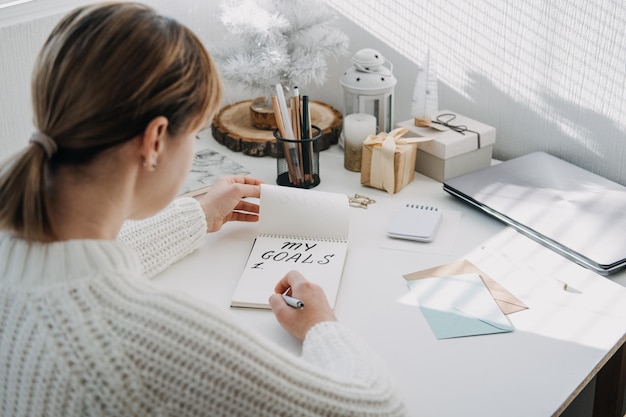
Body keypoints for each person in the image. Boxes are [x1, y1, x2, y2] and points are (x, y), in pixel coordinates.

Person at [0, 2, 405, 416]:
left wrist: (197, 215)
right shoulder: (140, 346)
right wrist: (321, 324)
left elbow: (74, 265)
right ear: (155, 140)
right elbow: (376, 407)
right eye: (195, 132)